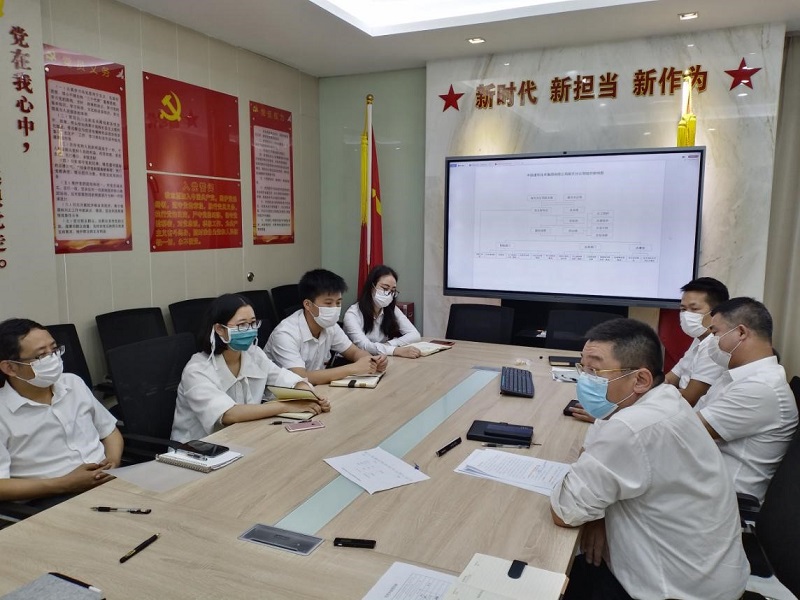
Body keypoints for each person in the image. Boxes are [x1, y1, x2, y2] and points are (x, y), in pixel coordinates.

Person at [550, 318, 748, 600]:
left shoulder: (632, 427)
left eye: (595, 371)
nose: (584, 380)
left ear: (640, 380)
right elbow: (595, 453)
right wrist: (597, 514)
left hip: (674, 590)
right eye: (582, 368)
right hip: (703, 573)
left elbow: (565, 513)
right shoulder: (664, 398)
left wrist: (592, 509)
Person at [172, 294, 329, 442]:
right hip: (199, 449)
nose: (250, 330)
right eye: (242, 325)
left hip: (243, 436)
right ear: (220, 329)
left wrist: (311, 396)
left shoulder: (254, 354)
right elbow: (229, 414)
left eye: (253, 323)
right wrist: (286, 406)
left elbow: (285, 379)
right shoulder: (197, 370)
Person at [0, 318, 122, 504]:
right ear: (10, 367)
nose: (53, 358)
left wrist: (113, 461)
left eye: (55, 349)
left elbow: (110, 431)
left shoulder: (73, 383)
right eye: (41, 355)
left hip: (108, 482)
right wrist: (65, 484)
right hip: (50, 500)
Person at [695, 297, 797, 503]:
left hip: (725, 500)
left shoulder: (761, 388)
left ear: (741, 332)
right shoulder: (736, 376)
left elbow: (686, 431)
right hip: (706, 482)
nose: (711, 342)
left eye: (715, 333)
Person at [266, 269, 388, 385]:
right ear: (308, 304)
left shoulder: (330, 326)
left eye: (338, 302)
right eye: (328, 303)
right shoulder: (285, 334)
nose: (335, 308)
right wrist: (353, 368)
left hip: (317, 389)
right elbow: (301, 377)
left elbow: (353, 352)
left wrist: (372, 361)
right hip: (282, 395)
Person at [664, 276, 729, 406]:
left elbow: (690, 398)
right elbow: (671, 379)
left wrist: (654, 395)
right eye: (683, 309)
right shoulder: (699, 337)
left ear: (716, 312)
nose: (686, 315)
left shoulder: (716, 345)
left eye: (694, 309)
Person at [343, 265, 422, 358]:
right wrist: (395, 350)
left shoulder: (391, 309)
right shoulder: (352, 314)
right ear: (371, 287)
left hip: (382, 358)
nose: (389, 294)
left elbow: (415, 334)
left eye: (392, 290)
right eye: (385, 288)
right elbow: (364, 346)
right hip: (354, 361)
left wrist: (389, 344)